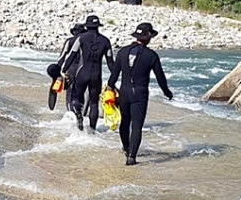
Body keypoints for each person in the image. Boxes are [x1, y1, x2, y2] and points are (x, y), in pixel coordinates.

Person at [107, 22, 173, 166]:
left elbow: (114, 74)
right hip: (140, 94)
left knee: (124, 122)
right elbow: (160, 77)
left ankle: (126, 147)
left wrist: (110, 88)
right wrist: (167, 92)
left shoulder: (122, 52)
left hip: (123, 92)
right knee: (136, 126)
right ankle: (131, 157)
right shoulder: (151, 56)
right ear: (148, 37)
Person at [61, 15, 114, 132]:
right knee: (94, 103)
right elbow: (110, 62)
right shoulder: (106, 41)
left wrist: (63, 70)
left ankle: (79, 115)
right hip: (96, 75)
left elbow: (72, 55)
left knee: (76, 97)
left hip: (82, 73)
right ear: (98, 26)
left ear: (87, 26)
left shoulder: (81, 38)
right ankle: (93, 130)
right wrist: (115, 77)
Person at [47, 23, 86, 109]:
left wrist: (58, 70)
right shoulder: (87, 42)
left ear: (74, 31)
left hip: (71, 69)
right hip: (84, 70)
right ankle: (81, 113)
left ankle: (71, 114)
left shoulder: (70, 41)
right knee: (80, 93)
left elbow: (63, 56)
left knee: (70, 94)